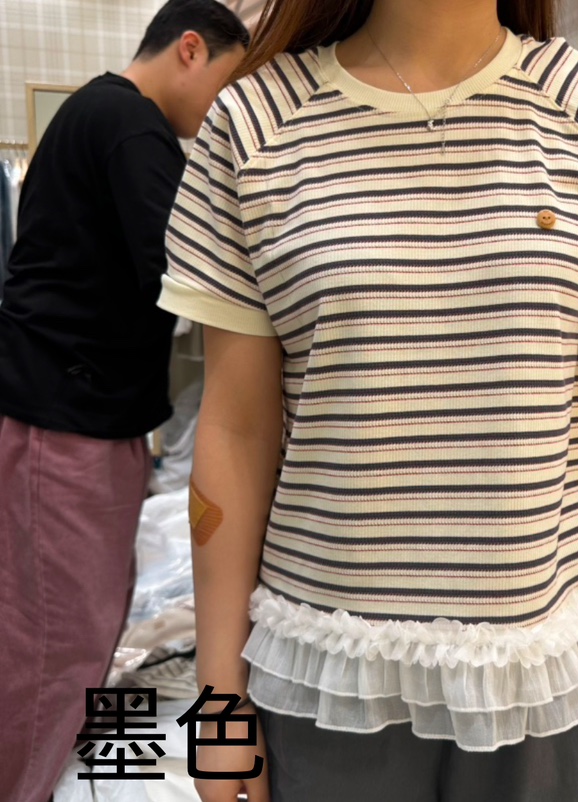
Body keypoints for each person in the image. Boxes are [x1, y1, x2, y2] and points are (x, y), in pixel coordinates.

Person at [160, 1, 578, 800]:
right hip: (328, 676)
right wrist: (220, 704)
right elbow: (235, 431)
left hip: (555, 671)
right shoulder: (252, 124)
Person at [0, 3, 248, 800]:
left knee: (73, 627)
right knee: (57, 640)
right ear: (190, 49)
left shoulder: (98, 115)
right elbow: (182, 270)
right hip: (65, 417)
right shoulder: (129, 124)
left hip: (74, 412)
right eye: (228, 84)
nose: (225, 110)